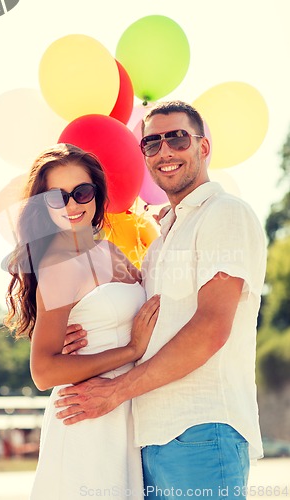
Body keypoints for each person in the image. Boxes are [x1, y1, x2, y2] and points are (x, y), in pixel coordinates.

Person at [55, 102, 267, 499]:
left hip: (204, 429)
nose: (164, 151)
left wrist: (116, 391)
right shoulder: (160, 242)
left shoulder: (225, 213)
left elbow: (210, 329)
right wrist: (85, 336)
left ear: (204, 148)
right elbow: (143, 321)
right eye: (151, 143)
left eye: (177, 138)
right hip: (150, 438)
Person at [4, 143, 160, 499]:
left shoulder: (108, 250)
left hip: (123, 415)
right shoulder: (57, 264)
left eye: (82, 192)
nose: (72, 205)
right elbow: (43, 372)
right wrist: (131, 349)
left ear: (97, 193)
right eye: (57, 197)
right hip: (84, 420)